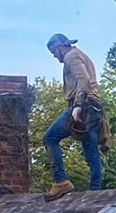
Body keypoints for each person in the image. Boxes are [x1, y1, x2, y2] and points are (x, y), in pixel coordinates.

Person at [42, 33, 111, 200]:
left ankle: (61, 182)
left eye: (53, 52)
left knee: (49, 138)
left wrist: (78, 105)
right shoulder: (81, 54)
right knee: (90, 147)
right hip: (94, 108)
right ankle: (95, 190)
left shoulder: (70, 56)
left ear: (59, 47)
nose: (54, 56)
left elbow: (83, 79)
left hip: (84, 106)